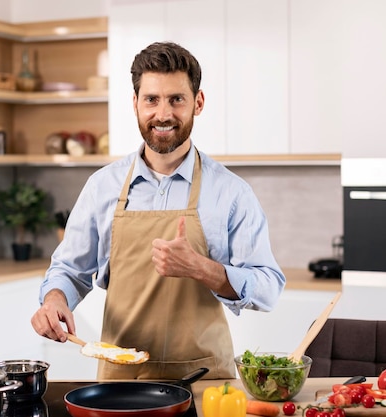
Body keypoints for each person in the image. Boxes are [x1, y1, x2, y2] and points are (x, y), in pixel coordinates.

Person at [31, 41, 285, 380]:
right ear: (135, 104)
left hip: (204, 380)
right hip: (120, 381)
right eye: (151, 99)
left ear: (198, 103)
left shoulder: (231, 192)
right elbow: (68, 269)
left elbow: (268, 288)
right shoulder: (102, 186)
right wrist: (54, 300)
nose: (162, 114)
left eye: (176, 99)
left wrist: (203, 269)